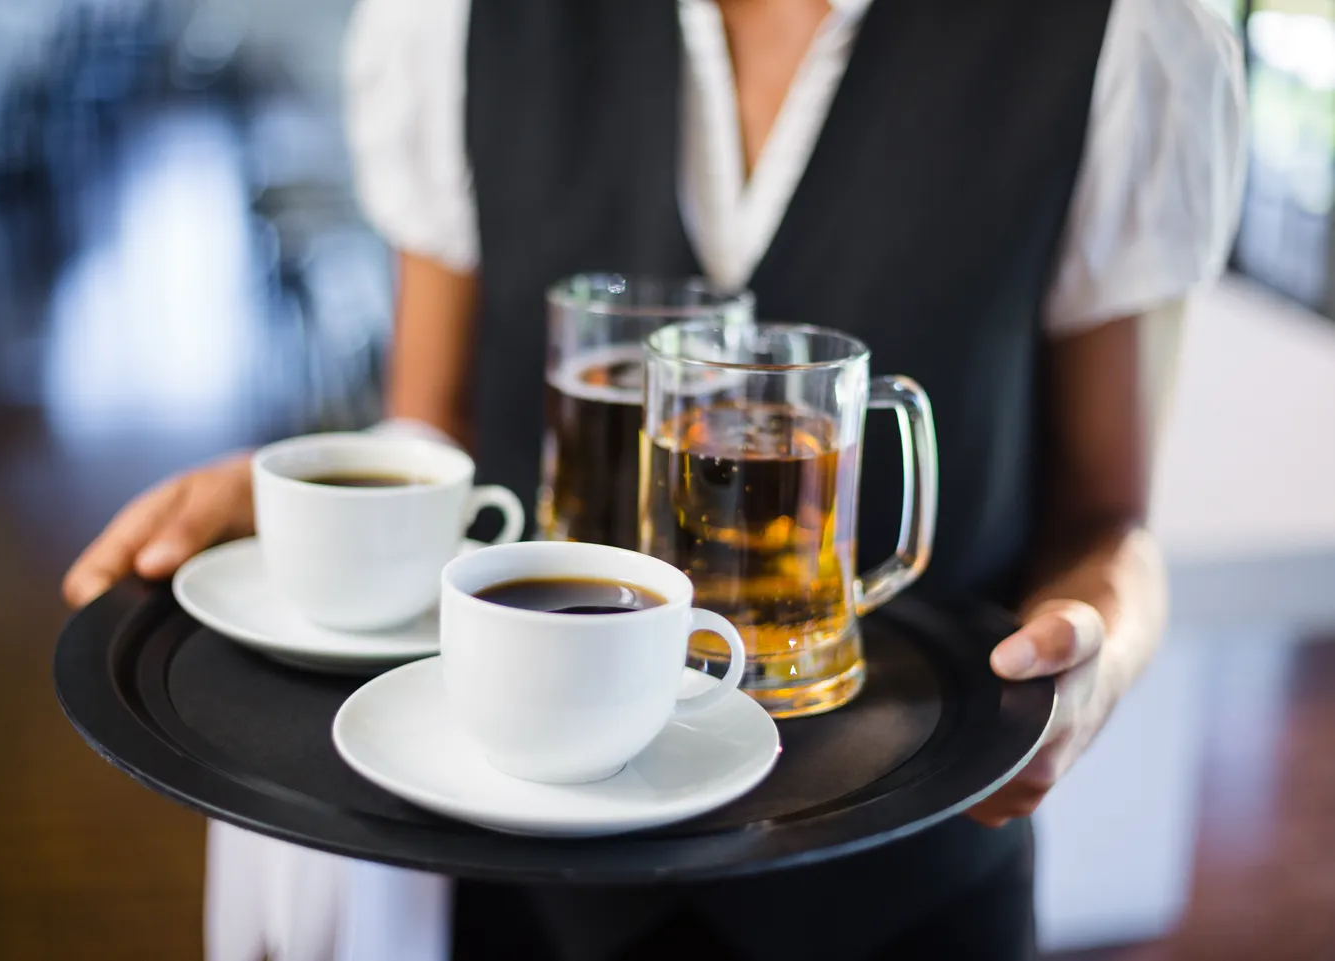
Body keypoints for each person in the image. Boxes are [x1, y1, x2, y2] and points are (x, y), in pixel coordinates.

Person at [64, 0, 1245, 957]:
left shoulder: (1129, 35)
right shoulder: (450, 20)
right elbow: (432, 424)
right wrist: (317, 502)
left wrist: (1095, 656)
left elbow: (1110, 521)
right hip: (530, 878)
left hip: (905, 884)